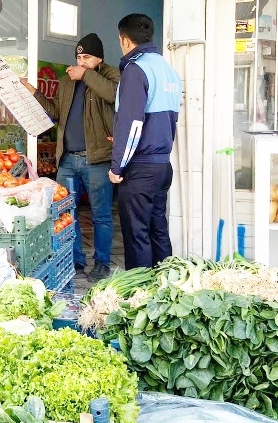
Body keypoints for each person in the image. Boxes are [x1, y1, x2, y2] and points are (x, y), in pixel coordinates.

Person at [21, 33, 120, 283]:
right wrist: (35, 93)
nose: (81, 61)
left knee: (101, 216)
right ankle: (75, 259)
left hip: (97, 159)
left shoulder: (111, 75)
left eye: (87, 57)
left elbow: (113, 95)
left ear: (99, 58)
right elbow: (55, 112)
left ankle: (102, 263)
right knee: (67, 213)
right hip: (67, 160)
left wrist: (86, 75)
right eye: (79, 57)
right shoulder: (67, 82)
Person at [109, 14, 182, 269]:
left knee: (137, 235)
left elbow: (133, 124)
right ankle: (165, 289)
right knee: (157, 230)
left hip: (140, 168)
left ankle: (139, 296)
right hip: (162, 166)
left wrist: (117, 166)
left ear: (125, 40)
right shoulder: (168, 70)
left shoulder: (136, 69)